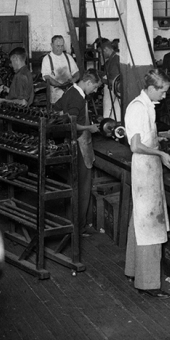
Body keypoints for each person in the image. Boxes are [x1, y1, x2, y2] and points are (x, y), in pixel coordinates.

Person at [124, 69, 170, 299]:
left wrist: (160, 139)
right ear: (152, 88)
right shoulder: (137, 108)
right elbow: (135, 146)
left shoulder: (147, 107)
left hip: (149, 169)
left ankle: (134, 271)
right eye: (162, 91)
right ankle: (149, 284)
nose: (164, 96)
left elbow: (144, 138)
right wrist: (160, 154)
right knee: (151, 227)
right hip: (144, 169)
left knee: (140, 222)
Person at [54, 69, 102, 235]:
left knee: (73, 186)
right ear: (88, 83)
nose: (95, 91)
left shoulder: (71, 91)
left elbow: (57, 109)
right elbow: (72, 124)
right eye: (95, 87)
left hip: (70, 144)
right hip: (80, 146)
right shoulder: (78, 97)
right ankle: (79, 227)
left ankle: (72, 223)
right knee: (82, 188)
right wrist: (90, 127)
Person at [41, 35, 80, 105]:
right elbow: (46, 77)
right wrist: (60, 85)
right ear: (52, 45)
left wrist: (72, 81)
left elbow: (77, 73)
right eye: (58, 46)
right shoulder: (47, 59)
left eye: (62, 46)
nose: (60, 48)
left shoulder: (68, 57)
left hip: (70, 91)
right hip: (56, 94)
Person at [99, 39, 121, 121]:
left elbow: (115, 81)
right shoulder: (111, 60)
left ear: (106, 50)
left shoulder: (115, 60)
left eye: (101, 53)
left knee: (113, 117)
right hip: (110, 92)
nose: (101, 55)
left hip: (114, 92)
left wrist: (102, 80)